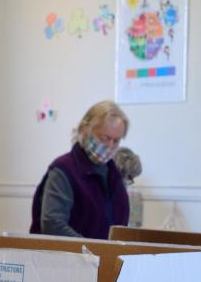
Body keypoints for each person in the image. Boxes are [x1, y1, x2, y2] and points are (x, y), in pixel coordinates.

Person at [30, 100, 130, 239]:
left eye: (116, 141)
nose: (110, 145)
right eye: (105, 138)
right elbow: (53, 225)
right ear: (85, 130)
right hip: (70, 258)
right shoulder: (63, 170)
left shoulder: (114, 174)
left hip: (104, 258)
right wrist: (93, 251)